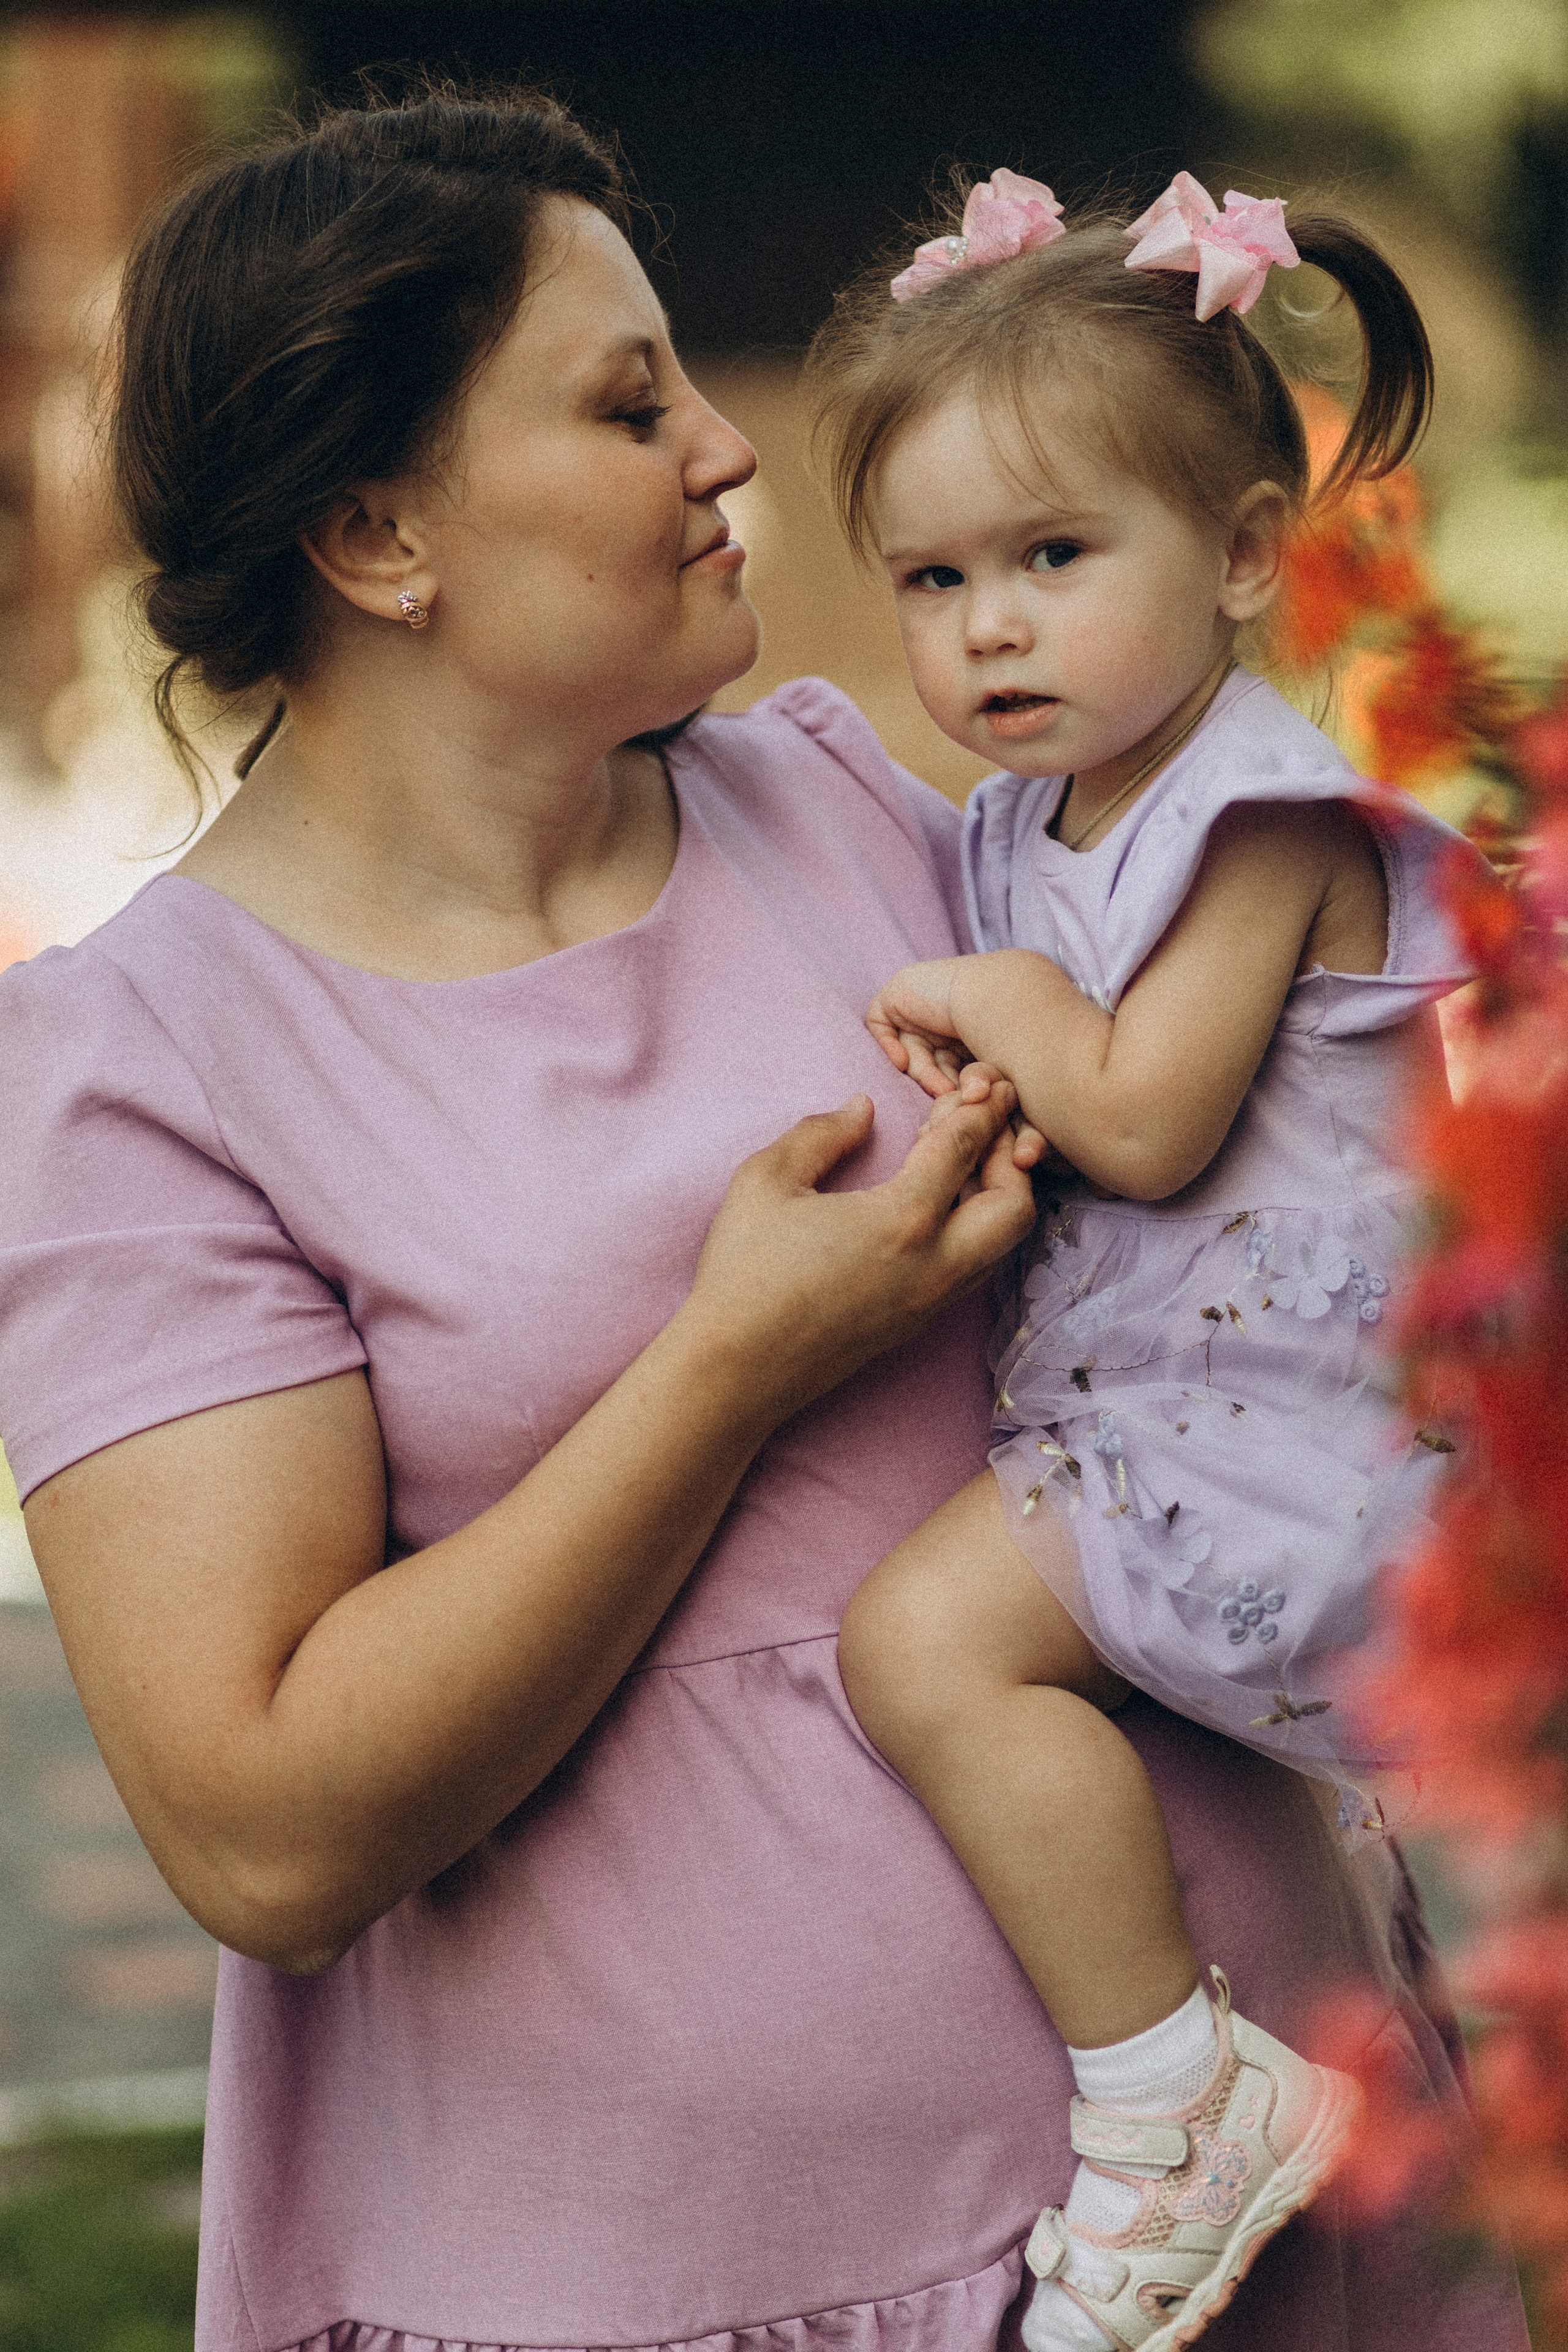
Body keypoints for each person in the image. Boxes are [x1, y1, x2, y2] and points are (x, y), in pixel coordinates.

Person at [0, 95, 1526, 2352]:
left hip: (1272, 2237)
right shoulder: (143, 1065)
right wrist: (728, 1361)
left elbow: (1259, 1122)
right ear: (376, 532)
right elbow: (266, 1839)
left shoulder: (853, 804)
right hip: (682, 2284)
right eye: (629, 403)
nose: (729, 448)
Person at [812, 170, 1492, 2352]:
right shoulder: (1041, 812)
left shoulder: (1261, 820)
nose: (985, 629)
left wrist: (999, 1013)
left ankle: (1174, 2094)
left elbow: (1142, 1112)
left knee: (921, 1651)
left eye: (1051, 558)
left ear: (1238, 557)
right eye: (931, 579)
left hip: (1282, 1434)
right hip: (1158, 1400)